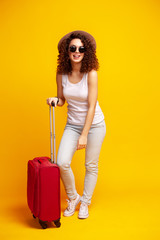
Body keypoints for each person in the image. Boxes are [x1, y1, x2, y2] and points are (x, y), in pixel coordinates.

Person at [46, 30, 106, 219]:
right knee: (62, 162)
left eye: (81, 48)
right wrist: (55, 100)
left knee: (91, 165)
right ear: (67, 51)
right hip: (72, 124)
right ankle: (73, 198)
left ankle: (86, 203)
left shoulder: (91, 74)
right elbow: (63, 100)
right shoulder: (61, 73)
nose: (77, 51)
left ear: (86, 51)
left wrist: (84, 134)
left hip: (94, 124)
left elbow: (91, 106)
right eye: (73, 48)